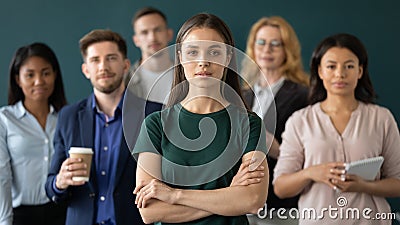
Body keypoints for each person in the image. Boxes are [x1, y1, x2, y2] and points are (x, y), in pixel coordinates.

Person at [133, 13, 269, 225]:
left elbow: (252, 200)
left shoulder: (249, 124)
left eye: (214, 52)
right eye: (193, 52)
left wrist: (175, 196)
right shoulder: (155, 125)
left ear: (227, 58)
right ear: (180, 57)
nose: (203, 62)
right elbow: (150, 212)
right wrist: (229, 195)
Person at [273, 33, 400, 225]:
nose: (340, 74)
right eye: (331, 66)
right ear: (320, 71)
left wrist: (365, 186)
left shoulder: (381, 118)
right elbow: (281, 187)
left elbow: (397, 183)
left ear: (360, 71)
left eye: (349, 66)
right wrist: (310, 173)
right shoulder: (300, 121)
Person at [45, 29, 147, 225]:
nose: (103, 66)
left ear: (126, 65)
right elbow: (50, 186)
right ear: (85, 70)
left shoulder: (151, 113)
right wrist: (60, 181)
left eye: (111, 58)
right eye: (95, 60)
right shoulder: (68, 116)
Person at [241, 16, 309, 224]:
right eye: (261, 42)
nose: (266, 50)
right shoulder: (243, 94)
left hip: (282, 204)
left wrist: (272, 145)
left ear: (287, 50)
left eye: (275, 44)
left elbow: (311, 156)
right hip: (242, 201)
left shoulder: (303, 95)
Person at [0, 43, 67, 225]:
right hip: (20, 216)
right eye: (30, 75)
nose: (39, 81)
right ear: (18, 79)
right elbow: (2, 176)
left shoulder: (67, 117)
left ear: (55, 75)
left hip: (63, 211)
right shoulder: (5, 119)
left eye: (46, 73)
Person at [126, 6, 174, 107]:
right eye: (144, 32)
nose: (152, 37)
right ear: (136, 40)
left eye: (158, 30)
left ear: (169, 34)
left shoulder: (189, 75)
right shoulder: (125, 81)